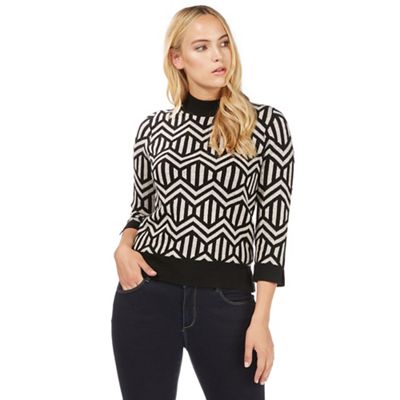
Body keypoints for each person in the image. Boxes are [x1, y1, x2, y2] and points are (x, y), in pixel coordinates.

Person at [111, 5, 295, 400]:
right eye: (202, 47)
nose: (218, 56)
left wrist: (261, 319)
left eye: (223, 43)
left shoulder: (266, 124)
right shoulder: (153, 128)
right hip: (147, 295)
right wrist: (123, 248)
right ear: (177, 58)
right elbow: (141, 207)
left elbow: (272, 228)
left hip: (226, 302)